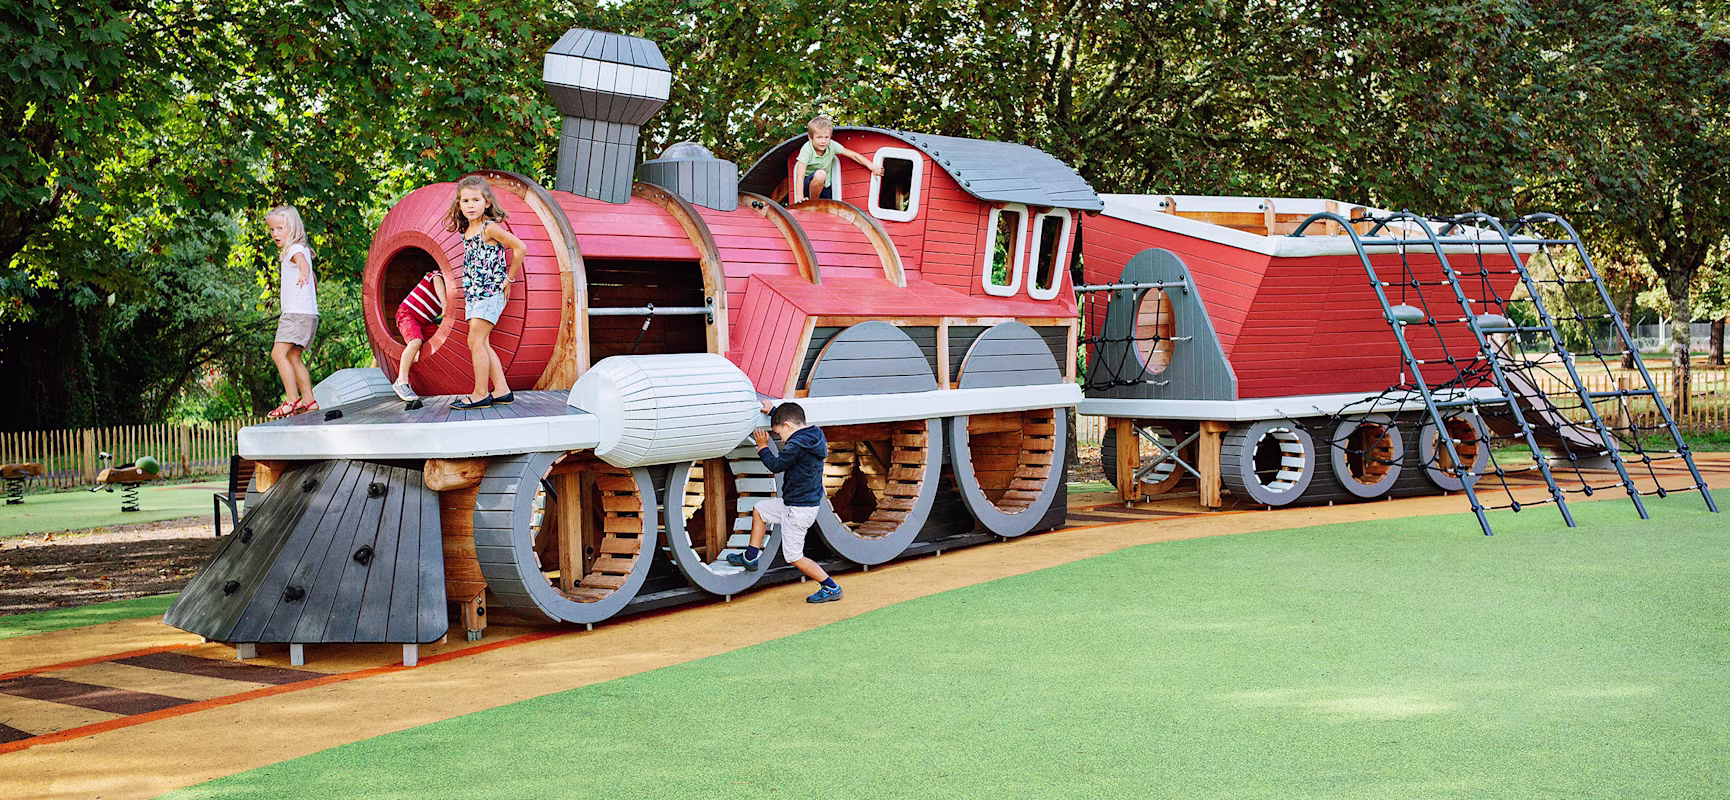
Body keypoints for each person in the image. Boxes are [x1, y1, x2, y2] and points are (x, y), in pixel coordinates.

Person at [727, 400, 843, 603]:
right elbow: (786, 420)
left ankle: (830, 586)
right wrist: (774, 412)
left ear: (788, 426)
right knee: (760, 510)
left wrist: (763, 447)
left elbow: (776, 464)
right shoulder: (816, 435)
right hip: (797, 504)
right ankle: (751, 557)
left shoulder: (796, 446)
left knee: (793, 556)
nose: (780, 437)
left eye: (779, 433)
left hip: (798, 511)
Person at [446, 175, 526, 409]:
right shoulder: (468, 230)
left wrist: (509, 278)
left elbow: (520, 247)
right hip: (475, 294)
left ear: (487, 203)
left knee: (475, 340)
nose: (470, 205)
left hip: (490, 292)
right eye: (465, 201)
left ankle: (480, 394)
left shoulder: (489, 228)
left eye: (475, 200)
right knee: (482, 342)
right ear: (459, 205)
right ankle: (501, 389)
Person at [265, 206, 318, 419]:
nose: (275, 234)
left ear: (293, 227)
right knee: (294, 357)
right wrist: (308, 278)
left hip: (296, 314)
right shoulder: (302, 248)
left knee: (278, 354)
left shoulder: (293, 250)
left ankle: (291, 400)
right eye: (271, 230)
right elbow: (312, 277)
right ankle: (309, 401)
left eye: (279, 228)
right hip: (308, 314)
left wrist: (304, 273)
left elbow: (304, 266)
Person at [790, 116, 883, 204]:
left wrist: (872, 166)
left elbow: (854, 155)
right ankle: (813, 204)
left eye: (826, 137)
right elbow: (800, 175)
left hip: (825, 186)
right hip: (808, 186)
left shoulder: (832, 145)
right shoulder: (807, 150)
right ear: (810, 137)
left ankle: (817, 204)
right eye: (819, 137)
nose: (823, 141)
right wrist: (800, 197)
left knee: (828, 207)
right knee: (820, 174)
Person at [391, 268, 447, 401]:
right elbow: (437, 280)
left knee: (442, 341)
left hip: (425, 322)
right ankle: (401, 381)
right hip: (407, 314)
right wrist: (445, 304)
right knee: (415, 342)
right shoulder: (437, 275)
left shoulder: (454, 293)